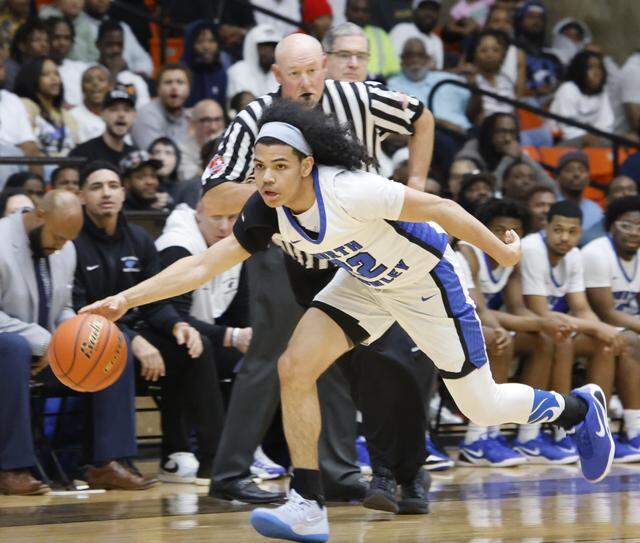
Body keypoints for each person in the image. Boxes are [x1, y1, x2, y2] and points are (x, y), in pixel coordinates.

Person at [82, 99, 615, 543]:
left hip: (427, 280)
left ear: (306, 165)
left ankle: (574, 408)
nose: (267, 178)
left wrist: (502, 254)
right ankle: (308, 503)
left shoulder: (349, 189)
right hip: (365, 283)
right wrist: (124, 299)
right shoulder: (266, 208)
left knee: (480, 402)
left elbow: (441, 209)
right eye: (260, 167)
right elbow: (201, 264)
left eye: (280, 167)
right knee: (294, 366)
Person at [199, 32, 434, 505]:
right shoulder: (254, 118)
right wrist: (275, 188)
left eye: (312, 71)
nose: (305, 83)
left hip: (364, 258)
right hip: (292, 257)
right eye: (294, 74)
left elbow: (421, 116)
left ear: (325, 66)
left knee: (379, 365)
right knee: (278, 360)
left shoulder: (357, 97)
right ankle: (236, 474)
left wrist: (416, 182)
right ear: (276, 75)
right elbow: (214, 195)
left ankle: (366, 473)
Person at [74, 162, 223, 485]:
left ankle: (210, 459)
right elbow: (77, 312)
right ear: (82, 196)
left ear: (124, 193)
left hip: (139, 333)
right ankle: (113, 462)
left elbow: (155, 300)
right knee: (118, 347)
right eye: (97, 187)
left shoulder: (139, 239)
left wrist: (175, 326)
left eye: (113, 186)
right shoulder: (73, 242)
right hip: (90, 341)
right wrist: (132, 338)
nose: (106, 193)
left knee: (195, 345)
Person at [0, 190, 156, 494]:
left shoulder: (65, 248)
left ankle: (107, 463)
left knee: (109, 340)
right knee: (14, 348)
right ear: (39, 215)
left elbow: (63, 307)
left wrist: (77, 331)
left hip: (46, 352)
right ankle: (12, 468)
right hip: (10, 351)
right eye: (57, 238)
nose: (60, 247)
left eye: (66, 241)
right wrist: (47, 342)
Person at [459, 198, 578, 464]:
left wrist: (545, 322)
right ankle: (476, 439)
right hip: (464, 322)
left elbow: (517, 308)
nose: (505, 236)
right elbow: (478, 309)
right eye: (498, 229)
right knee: (504, 341)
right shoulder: (468, 252)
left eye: (513, 230)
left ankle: (528, 435)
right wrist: (536, 322)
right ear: (483, 229)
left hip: (490, 324)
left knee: (545, 340)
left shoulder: (512, 256)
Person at [521, 200, 639, 461]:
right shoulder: (532, 248)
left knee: (606, 344)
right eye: (558, 230)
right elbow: (539, 311)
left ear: (581, 231)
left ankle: (599, 429)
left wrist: (603, 331)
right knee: (561, 340)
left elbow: (581, 307)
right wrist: (600, 326)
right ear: (546, 227)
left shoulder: (573, 255)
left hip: (555, 327)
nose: (565, 237)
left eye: (572, 232)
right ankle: (555, 430)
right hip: (524, 327)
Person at [582, 196, 640, 461]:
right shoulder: (597, 252)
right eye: (627, 225)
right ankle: (632, 430)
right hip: (588, 326)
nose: (635, 232)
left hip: (624, 329)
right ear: (611, 226)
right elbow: (605, 311)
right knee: (629, 342)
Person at [457, 112, 556, 194]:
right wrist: (508, 158)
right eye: (501, 132)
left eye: (512, 133)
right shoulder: (469, 156)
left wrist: (522, 156)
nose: (508, 138)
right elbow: (488, 192)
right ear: (488, 133)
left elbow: (550, 186)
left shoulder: (515, 152)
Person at [14, 56, 78, 157]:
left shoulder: (66, 115)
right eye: (45, 74)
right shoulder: (25, 105)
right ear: (32, 78)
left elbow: (78, 147)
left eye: (56, 74)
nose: (54, 79)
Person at [550, 50, 613, 146]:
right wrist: (587, 137)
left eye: (599, 68)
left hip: (593, 139)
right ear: (580, 70)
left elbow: (607, 124)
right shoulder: (568, 89)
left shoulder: (602, 92)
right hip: (560, 141)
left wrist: (596, 137)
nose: (597, 73)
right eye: (590, 68)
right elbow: (567, 128)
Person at [80, 0, 153, 77]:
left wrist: (131, 78)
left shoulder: (122, 27)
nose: (101, 1)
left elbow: (144, 62)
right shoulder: (78, 28)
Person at [131, 63, 191, 151]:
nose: (174, 87)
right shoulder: (146, 114)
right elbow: (158, 156)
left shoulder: (190, 117)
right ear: (158, 89)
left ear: (189, 88)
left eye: (180, 82)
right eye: (168, 82)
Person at [70, 87, 136, 165]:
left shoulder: (135, 155)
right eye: (114, 109)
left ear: (134, 115)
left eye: (127, 110)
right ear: (102, 114)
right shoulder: (82, 153)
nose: (121, 115)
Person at [95, 19, 149, 109]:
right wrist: (114, 73)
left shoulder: (135, 80)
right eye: (110, 45)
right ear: (98, 45)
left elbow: (143, 115)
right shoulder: (87, 74)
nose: (116, 50)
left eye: (119, 45)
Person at [555, 150, 603, 246]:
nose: (576, 174)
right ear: (558, 177)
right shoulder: (551, 204)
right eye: (569, 170)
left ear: (588, 178)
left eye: (582, 170)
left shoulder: (595, 209)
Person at [180, 20, 231, 108]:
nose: (206, 47)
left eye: (212, 41)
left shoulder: (220, 72)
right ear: (190, 45)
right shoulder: (180, 72)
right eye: (200, 41)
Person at [344, 0, 399, 78]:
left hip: (378, 85)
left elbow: (393, 71)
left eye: (365, 11)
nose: (360, 14)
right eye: (355, 9)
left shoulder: (380, 35)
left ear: (370, 14)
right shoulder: (336, 35)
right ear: (346, 11)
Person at [226, 25, 280, 105]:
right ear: (251, 46)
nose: (269, 51)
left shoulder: (282, 73)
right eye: (264, 46)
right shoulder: (237, 71)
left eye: (273, 46)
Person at [45, 16, 87, 107]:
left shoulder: (81, 68)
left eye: (67, 38)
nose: (62, 43)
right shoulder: (39, 70)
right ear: (46, 39)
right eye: (56, 37)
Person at [389, 0, 444, 70]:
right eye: (425, 8)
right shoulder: (401, 30)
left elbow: (437, 72)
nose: (430, 13)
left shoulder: (437, 41)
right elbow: (393, 67)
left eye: (434, 10)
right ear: (414, 12)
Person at [179, 99, 226, 181]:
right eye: (206, 120)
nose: (213, 127)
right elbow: (191, 179)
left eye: (217, 119)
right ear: (193, 123)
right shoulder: (183, 149)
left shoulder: (233, 143)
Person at [69, 64, 112, 144]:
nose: (95, 84)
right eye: (88, 80)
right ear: (82, 87)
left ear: (110, 86)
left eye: (101, 80)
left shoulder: (117, 115)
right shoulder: (72, 116)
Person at [4, 19, 49, 90]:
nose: (44, 44)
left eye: (46, 40)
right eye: (37, 40)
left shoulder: (47, 66)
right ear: (22, 46)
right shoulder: (10, 69)